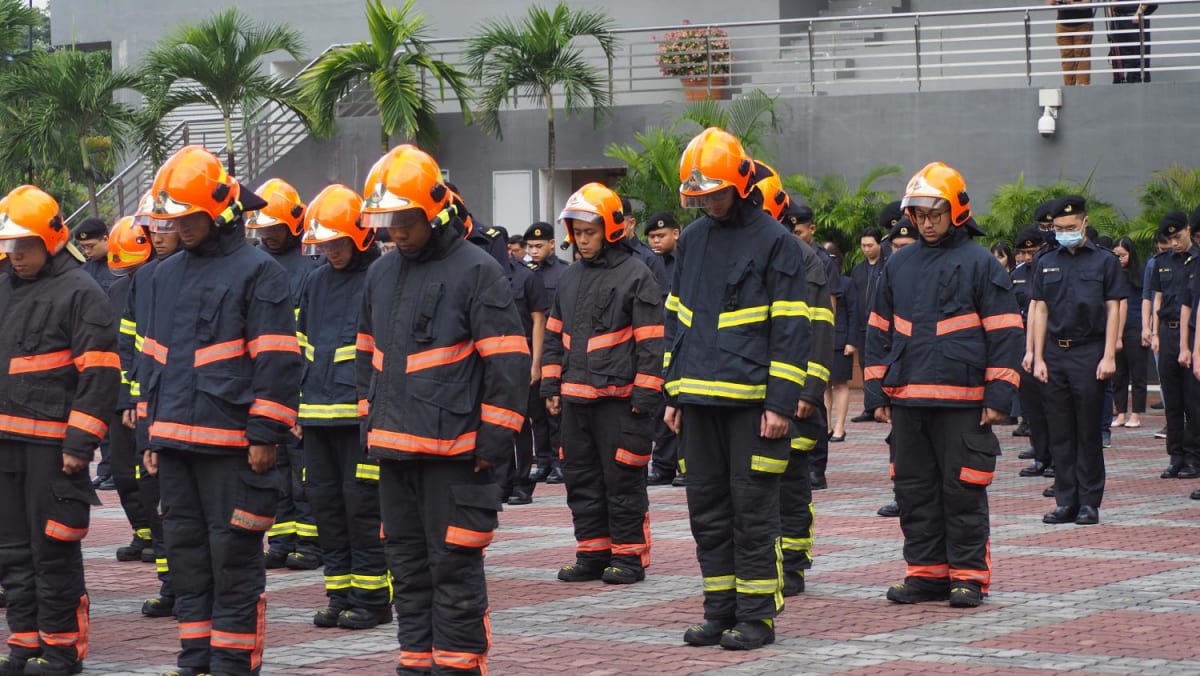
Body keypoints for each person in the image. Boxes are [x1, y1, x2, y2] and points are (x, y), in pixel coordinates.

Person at [356, 145, 529, 675]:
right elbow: (368, 357)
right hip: (395, 452)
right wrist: (371, 426)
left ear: (433, 212)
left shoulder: (477, 269)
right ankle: (415, 663)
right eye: (387, 222)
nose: (395, 233)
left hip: (457, 455)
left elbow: (508, 362)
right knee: (406, 567)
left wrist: (493, 445)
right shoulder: (381, 274)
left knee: (453, 567)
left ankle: (456, 667)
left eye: (405, 221)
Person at [140, 146, 301, 676]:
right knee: (185, 558)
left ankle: (231, 661)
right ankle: (195, 659)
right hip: (176, 444)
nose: (180, 228)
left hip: (233, 445)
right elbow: (154, 360)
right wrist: (151, 436)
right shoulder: (163, 275)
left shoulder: (260, 271)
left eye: (189, 218)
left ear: (220, 210)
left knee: (231, 558)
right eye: (173, 220)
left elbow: (276, 358)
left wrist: (265, 433)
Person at [667, 128, 813, 650]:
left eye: (713, 193)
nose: (705, 202)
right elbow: (677, 318)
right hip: (699, 401)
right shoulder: (693, 239)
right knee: (706, 511)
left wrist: (779, 402)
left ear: (741, 184)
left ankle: (756, 617)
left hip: (753, 406)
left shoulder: (777, 243)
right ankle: (718, 610)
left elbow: (792, 327)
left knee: (752, 513)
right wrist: (674, 393)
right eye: (698, 195)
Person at [864, 162, 1022, 608]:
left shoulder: (980, 262)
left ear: (956, 212)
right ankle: (927, 573)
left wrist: (999, 396)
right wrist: (877, 393)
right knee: (913, 491)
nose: (927, 223)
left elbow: (1007, 331)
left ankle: (968, 576)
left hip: (965, 402)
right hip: (909, 398)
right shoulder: (899, 264)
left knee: (963, 490)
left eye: (935, 213)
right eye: (919, 215)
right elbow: (877, 331)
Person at [0, 185, 118, 676]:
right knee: (12, 552)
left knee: (53, 550)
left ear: (51, 239)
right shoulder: (5, 288)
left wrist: (80, 443)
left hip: (53, 449)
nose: (15, 255)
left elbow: (99, 373)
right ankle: (24, 645)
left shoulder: (81, 292)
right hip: (7, 445)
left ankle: (61, 651)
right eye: (9, 246)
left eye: (23, 246)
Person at [541, 183, 663, 585]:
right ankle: (592, 552)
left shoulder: (636, 275)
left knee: (622, 479)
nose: (581, 239)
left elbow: (650, 343)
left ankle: (628, 557)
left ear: (611, 228)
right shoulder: (570, 278)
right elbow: (555, 336)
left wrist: (645, 397)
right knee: (581, 478)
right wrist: (550, 387)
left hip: (621, 401)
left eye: (589, 231)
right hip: (576, 400)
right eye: (576, 231)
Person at [292, 184, 391, 631]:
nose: (331, 251)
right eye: (325, 244)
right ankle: (339, 593)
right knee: (326, 506)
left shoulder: (382, 277)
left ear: (361, 236)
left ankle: (371, 599)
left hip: (360, 418)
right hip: (316, 416)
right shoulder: (314, 282)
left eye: (338, 242)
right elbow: (299, 347)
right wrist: (296, 406)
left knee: (362, 507)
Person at [751, 165, 832, 599]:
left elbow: (818, 329)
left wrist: (807, 391)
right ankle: (764, 563)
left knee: (791, 487)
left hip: (793, 396)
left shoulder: (804, 260)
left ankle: (794, 563)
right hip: (751, 392)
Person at [245, 178, 323, 571]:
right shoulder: (256, 267)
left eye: (275, 228)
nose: (269, 236)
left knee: (303, 472)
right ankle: (280, 538)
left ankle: (310, 542)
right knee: (274, 469)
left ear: (294, 223)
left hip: (301, 387)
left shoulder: (311, 271)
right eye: (263, 230)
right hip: (266, 385)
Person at [1030, 196, 1121, 525]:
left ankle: (1089, 502)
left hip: (1089, 350)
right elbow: (1039, 309)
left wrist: (1110, 354)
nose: (1064, 233)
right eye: (1058, 228)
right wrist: (1037, 356)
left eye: (1070, 227)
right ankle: (1065, 500)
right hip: (1055, 352)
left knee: (1087, 430)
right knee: (1060, 431)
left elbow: (1114, 308)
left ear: (1084, 223)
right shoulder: (1046, 261)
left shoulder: (1105, 262)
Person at [125, 191, 181, 620]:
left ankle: (194, 588)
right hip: (149, 403)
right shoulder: (143, 278)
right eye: (152, 228)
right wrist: (132, 394)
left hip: (185, 404)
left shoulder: (194, 274)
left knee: (185, 506)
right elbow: (133, 341)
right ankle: (170, 585)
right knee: (153, 494)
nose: (157, 236)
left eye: (165, 227)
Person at [104, 217, 157, 569]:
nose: (133, 272)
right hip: (123, 396)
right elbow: (121, 347)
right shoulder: (116, 291)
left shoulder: (163, 284)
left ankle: (158, 531)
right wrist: (122, 397)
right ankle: (143, 531)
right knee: (123, 472)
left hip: (152, 397)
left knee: (151, 472)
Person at [785, 204, 840, 489]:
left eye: (798, 231)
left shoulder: (819, 259)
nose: (793, 236)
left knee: (813, 412)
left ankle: (816, 469)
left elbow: (827, 308)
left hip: (814, 342)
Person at [1147, 212, 1200, 479]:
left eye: (1178, 236)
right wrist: (1154, 333)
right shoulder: (1161, 262)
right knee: (1172, 401)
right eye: (1170, 239)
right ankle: (1175, 456)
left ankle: (1193, 457)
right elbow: (1157, 299)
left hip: (1191, 335)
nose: (1174, 243)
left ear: (1188, 230)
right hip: (1167, 334)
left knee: (1193, 400)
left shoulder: (1198, 260)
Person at [874, 216, 919, 519]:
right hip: (898, 374)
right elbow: (878, 332)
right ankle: (901, 494)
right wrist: (875, 392)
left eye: (906, 245)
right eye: (896, 246)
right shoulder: (889, 274)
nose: (900, 251)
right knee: (898, 442)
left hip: (930, 374)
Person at [524, 222, 566, 485]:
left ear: (552, 244)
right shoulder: (525, 273)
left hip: (557, 347)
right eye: (530, 246)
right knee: (535, 413)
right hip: (530, 347)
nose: (534, 250)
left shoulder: (564, 273)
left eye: (539, 245)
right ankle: (542, 461)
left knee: (555, 412)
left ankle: (559, 461)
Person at [644, 212, 683, 487]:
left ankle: (686, 465)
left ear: (676, 233)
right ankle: (663, 465)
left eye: (661, 235)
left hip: (687, 341)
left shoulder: (691, 260)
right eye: (652, 237)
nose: (656, 241)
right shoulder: (650, 263)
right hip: (661, 342)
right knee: (662, 407)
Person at [1013, 228, 1055, 483]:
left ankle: (1055, 458)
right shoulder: (1016, 275)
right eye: (1024, 252)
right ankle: (1040, 455)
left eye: (1033, 251)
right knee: (1032, 406)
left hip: (1049, 342)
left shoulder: (1051, 270)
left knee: (1053, 406)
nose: (1029, 257)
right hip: (1022, 343)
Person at [850, 224, 887, 424]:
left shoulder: (888, 266)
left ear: (879, 244)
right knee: (866, 366)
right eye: (863, 246)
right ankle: (870, 406)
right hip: (863, 325)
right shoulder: (858, 270)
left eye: (870, 245)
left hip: (882, 325)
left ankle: (884, 405)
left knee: (883, 365)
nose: (866, 249)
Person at [824, 242, 859, 443]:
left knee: (839, 384)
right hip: (822, 341)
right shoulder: (818, 281)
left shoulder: (846, 283)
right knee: (822, 386)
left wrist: (851, 341)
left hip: (841, 340)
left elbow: (855, 313)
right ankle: (826, 425)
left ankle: (839, 427)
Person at [1113, 236, 1147, 429]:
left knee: (1138, 374)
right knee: (1119, 374)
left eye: (1122, 255)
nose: (1119, 259)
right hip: (1116, 329)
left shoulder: (1140, 275)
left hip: (1135, 327)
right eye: (1115, 255)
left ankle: (1136, 414)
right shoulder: (1112, 275)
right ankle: (1120, 413)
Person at [1049, 0, 1096, 86]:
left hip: (1083, 24)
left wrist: (1070, 2)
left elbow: (1086, 3)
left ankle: (1083, 89)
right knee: (1067, 58)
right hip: (1063, 24)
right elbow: (1050, 2)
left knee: (1082, 56)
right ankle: (1069, 89)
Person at [1108, 2, 1157, 83]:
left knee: (1138, 61)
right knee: (1119, 59)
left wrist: (1140, 11)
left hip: (1135, 19)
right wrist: (1110, 10)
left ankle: (1137, 86)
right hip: (1118, 21)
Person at [75, 216, 119, 294]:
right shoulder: (84, 269)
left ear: (105, 239)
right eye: (83, 247)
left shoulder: (121, 266)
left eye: (91, 246)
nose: (87, 251)